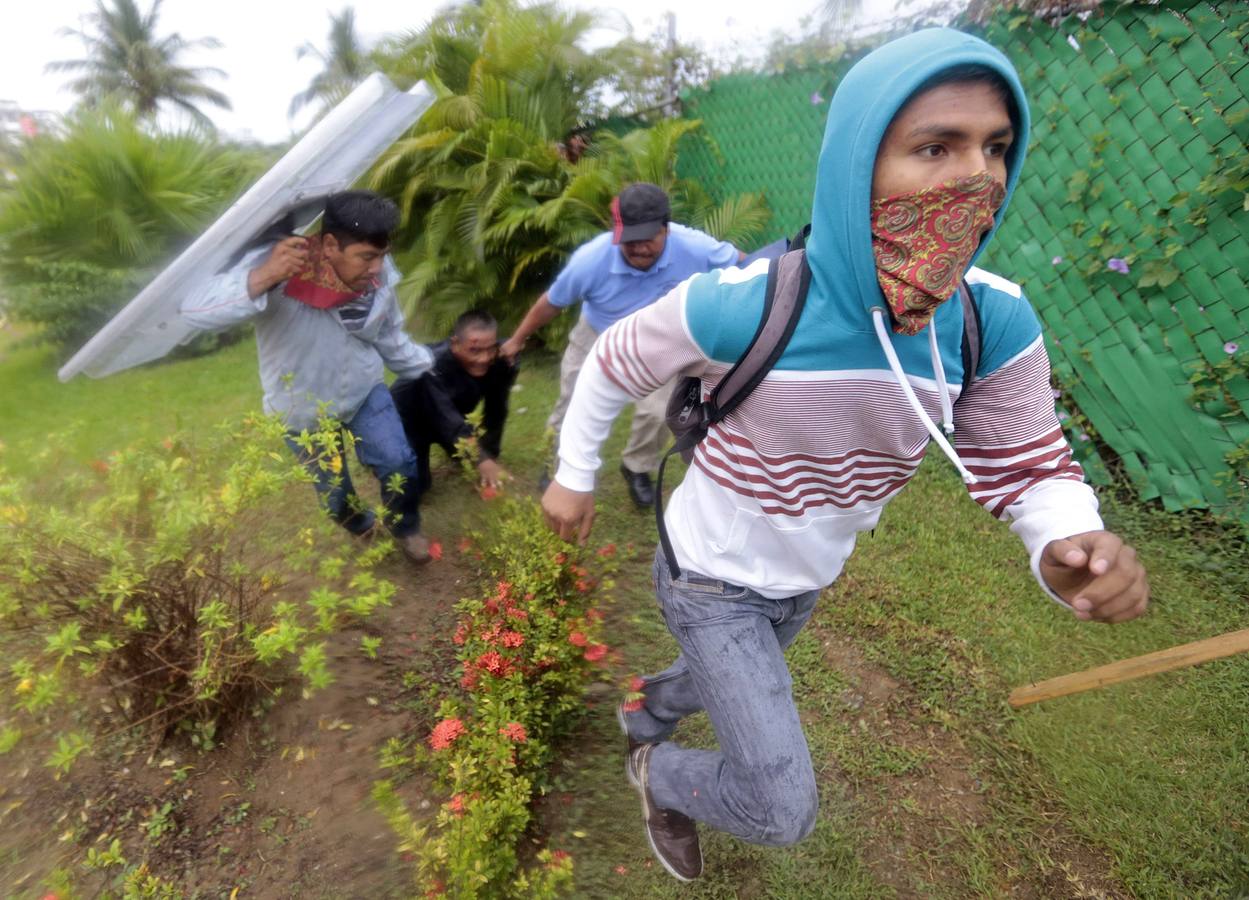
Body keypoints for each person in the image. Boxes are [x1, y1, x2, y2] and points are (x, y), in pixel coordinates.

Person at [540, 29, 1150, 882]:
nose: (977, 176)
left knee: (726, 671)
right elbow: (610, 362)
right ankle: (657, 770)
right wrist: (573, 479)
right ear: (855, 163)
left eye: (996, 147)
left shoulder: (991, 322)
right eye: (935, 146)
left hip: (809, 576)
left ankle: (647, 707)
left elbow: (1029, 464)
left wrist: (1066, 540)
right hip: (707, 572)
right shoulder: (742, 306)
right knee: (780, 809)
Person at [181, 190, 436, 564]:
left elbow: (388, 332)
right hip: (302, 412)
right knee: (335, 497)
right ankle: (362, 525)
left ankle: (405, 526)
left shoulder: (375, 273)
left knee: (399, 462)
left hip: (363, 390)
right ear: (330, 245)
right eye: (367, 257)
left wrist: (426, 364)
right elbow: (193, 307)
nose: (377, 267)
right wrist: (266, 274)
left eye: (382, 255)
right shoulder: (281, 267)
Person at [498, 182, 744, 508]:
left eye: (648, 239)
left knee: (658, 411)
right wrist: (516, 339)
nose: (638, 248)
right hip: (596, 335)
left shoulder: (695, 247)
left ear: (666, 229)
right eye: (630, 239)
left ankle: (637, 468)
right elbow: (552, 302)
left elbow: (746, 264)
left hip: (659, 338)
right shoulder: (592, 259)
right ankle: (557, 466)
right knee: (571, 404)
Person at [390, 309, 518, 495]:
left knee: (471, 460)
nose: (484, 358)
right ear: (455, 344)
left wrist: (489, 456)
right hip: (408, 422)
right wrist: (481, 459)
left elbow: (495, 411)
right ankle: (384, 457)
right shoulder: (428, 365)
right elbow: (445, 417)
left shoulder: (502, 360)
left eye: (490, 348)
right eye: (474, 350)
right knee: (415, 487)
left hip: (451, 418)